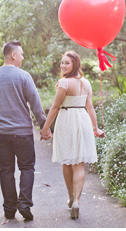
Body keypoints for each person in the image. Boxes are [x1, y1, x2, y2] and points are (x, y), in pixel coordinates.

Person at [0, 40, 48, 222]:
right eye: (21, 54)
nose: (23, 57)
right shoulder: (23, 76)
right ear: (13, 55)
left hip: (2, 133)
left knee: (6, 171)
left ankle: (9, 209)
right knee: (27, 168)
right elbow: (35, 104)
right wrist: (44, 127)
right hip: (23, 134)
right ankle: (24, 204)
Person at [38, 52, 106, 220]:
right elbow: (90, 107)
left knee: (67, 162)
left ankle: (71, 197)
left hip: (67, 120)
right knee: (78, 164)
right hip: (82, 119)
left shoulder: (64, 83)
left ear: (75, 64)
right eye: (62, 63)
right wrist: (95, 128)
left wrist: (45, 129)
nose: (63, 66)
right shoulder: (86, 82)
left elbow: (54, 108)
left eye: (67, 63)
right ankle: (76, 200)